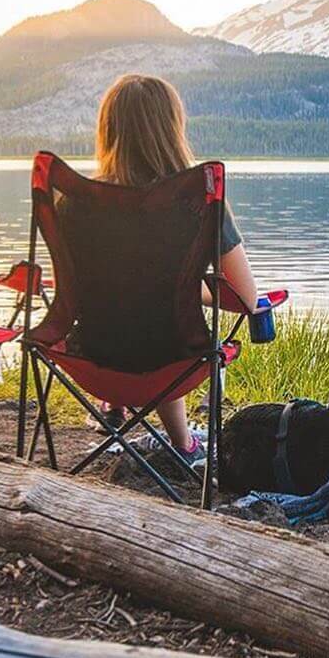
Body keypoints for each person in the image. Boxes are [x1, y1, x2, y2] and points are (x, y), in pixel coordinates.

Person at [71, 73, 258, 461]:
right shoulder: (200, 203)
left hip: (91, 356)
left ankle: (113, 404)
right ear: (173, 130)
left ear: (108, 130)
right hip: (173, 362)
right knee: (166, 326)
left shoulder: (74, 202)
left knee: (133, 308)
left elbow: (72, 290)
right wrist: (190, 289)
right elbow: (246, 298)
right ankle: (183, 443)